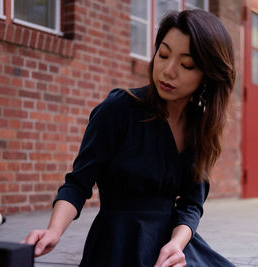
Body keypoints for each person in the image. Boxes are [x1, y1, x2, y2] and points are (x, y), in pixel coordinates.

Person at [22, 9, 236, 267]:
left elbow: (191, 204)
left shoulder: (200, 126)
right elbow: (78, 183)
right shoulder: (118, 109)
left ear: (208, 75)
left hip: (172, 247)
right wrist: (53, 231)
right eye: (163, 54)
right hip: (117, 245)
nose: (168, 71)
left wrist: (176, 246)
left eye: (187, 65)